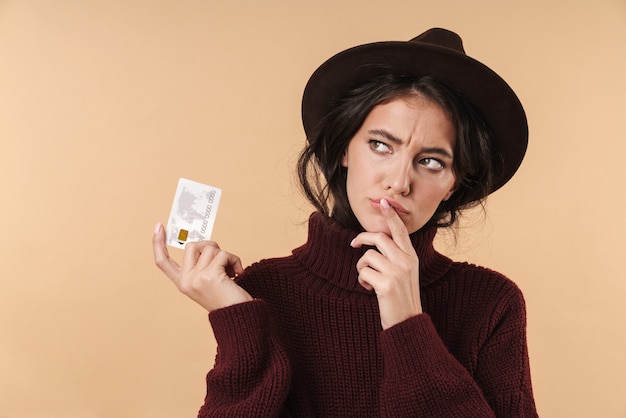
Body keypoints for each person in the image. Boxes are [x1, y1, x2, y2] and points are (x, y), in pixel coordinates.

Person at [152, 28, 538, 417]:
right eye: (381, 145)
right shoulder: (266, 292)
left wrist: (408, 323)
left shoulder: (490, 302)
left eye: (432, 161)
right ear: (344, 150)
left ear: (454, 184)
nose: (399, 182)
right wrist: (238, 320)